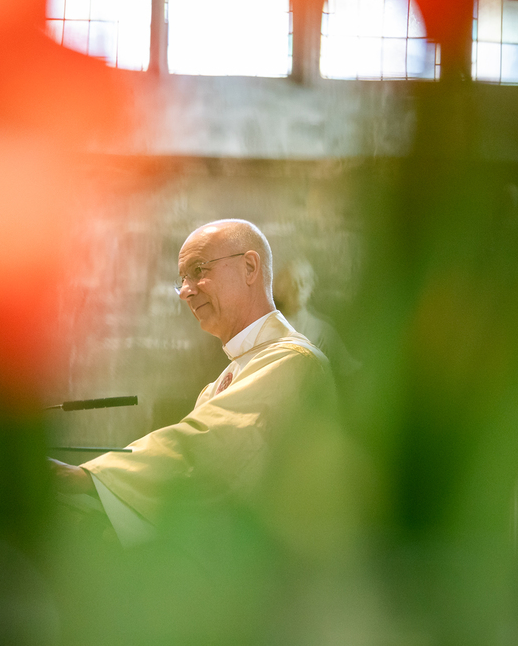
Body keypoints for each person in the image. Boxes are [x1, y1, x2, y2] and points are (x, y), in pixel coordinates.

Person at [50, 219, 337, 546]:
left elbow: (210, 448)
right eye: (182, 279)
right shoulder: (229, 376)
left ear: (249, 267)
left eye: (199, 270)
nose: (186, 291)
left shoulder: (292, 361)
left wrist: (87, 478)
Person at [274, 258, 361, 380]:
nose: (298, 289)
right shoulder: (270, 327)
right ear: (281, 289)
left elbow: (347, 369)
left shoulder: (323, 330)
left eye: (303, 282)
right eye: (292, 283)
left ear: (311, 287)